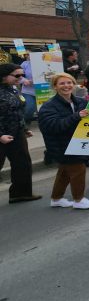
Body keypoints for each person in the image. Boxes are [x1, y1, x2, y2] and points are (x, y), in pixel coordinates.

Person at [38, 72, 89, 209]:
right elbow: (53, 126)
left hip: (77, 142)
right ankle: (79, 200)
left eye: (69, 82)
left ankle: (56, 199)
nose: (66, 86)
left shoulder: (81, 102)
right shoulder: (48, 106)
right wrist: (76, 116)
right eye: (62, 83)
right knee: (78, 169)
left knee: (64, 172)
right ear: (55, 86)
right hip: (60, 145)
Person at [0, 63, 40, 203]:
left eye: (22, 75)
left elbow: (18, 112)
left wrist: (24, 129)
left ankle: (20, 193)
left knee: (22, 164)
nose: (21, 78)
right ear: (4, 76)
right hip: (2, 136)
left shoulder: (14, 89)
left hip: (16, 133)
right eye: (17, 75)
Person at [19, 54, 36, 122]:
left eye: (30, 54)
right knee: (29, 109)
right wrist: (24, 80)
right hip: (28, 91)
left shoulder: (47, 62)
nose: (28, 56)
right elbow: (17, 75)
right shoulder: (25, 64)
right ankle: (25, 123)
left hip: (44, 91)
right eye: (28, 55)